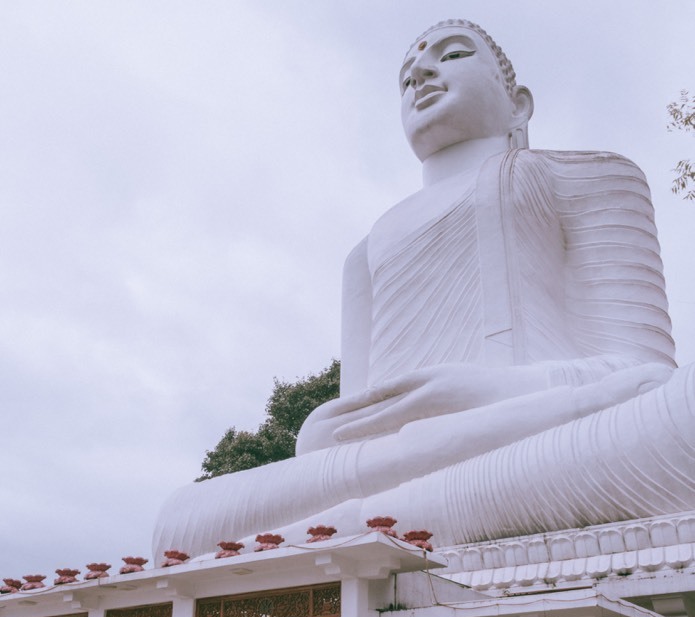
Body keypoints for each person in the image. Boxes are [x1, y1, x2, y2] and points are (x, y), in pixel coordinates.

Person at [153, 19, 695, 562]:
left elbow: (642, 374)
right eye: (407, 77)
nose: (422, 74)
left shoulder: (590, 175)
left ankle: (334, 534)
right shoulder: (363, 254)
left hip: (542, 434)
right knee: (177, 520)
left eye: (453, 54)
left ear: (519, 105)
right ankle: (373, 523)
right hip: (396, 463)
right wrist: (327, 427)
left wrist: (481, 394)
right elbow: (356, 423)